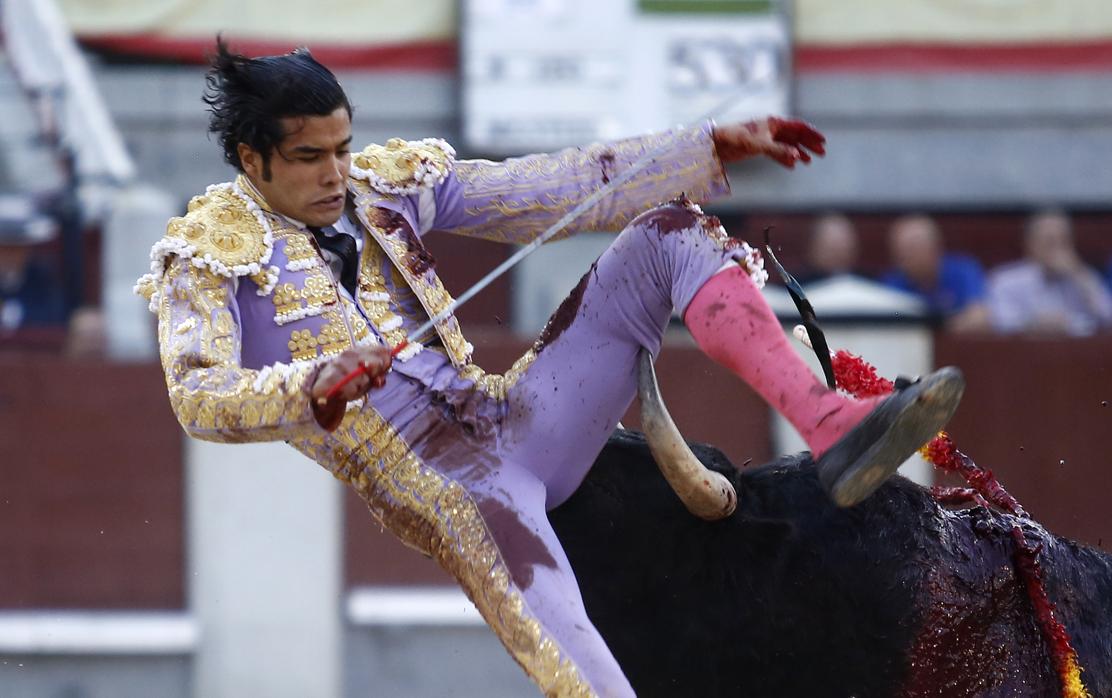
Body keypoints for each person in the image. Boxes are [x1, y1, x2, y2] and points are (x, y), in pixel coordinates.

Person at [135, 43, 963, 697]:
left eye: (342, 149)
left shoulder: (383, 186)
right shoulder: (206, 256)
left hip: (518, 418)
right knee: (588, 683)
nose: (334, 174)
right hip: (452, 490)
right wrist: (307, 386)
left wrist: (703, 147)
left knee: (670, 234)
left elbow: (542, 190)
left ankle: (829, 422)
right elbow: (197, 396)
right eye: (311, 157)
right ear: (253, 159)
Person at [986, 209, 1112, 336]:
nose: (1058, 249)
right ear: (1031, 244)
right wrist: (1033, 324)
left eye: (1064, 242)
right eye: (1050, 242)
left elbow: (1110, 318)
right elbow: (999, 322)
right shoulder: (1006, 280)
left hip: (1076, 353)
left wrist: (1080, 277)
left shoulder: (1084, 276)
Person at [880, 214, 990, 332]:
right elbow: (890, 324)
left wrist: (939, 330)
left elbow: (980, 318)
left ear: (934, 247)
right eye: (899, 251)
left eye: (911, 249)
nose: (903, 258)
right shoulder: (892, 283)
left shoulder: (963, 270)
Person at [0, 195, 65, 333]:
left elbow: (53, 320)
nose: (9, 254)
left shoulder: (43, 279)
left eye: (16, 246)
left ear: (27, 248)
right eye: (4, 246)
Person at [796, 213, 861, 284]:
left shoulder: (865, 285)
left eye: (842, 247)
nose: (837, 255)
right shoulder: (797, 286)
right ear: (813, 248)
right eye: (832, 249)